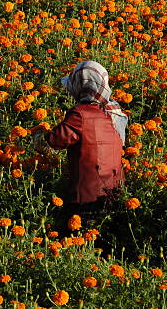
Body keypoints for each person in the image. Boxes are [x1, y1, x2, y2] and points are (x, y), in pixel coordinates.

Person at [34, 60, 128, 231]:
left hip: (86, 197)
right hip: (116, 193)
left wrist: (37, 133)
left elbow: (51, 143)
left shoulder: (80, 115)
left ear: (80, 86)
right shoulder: (115, 112)